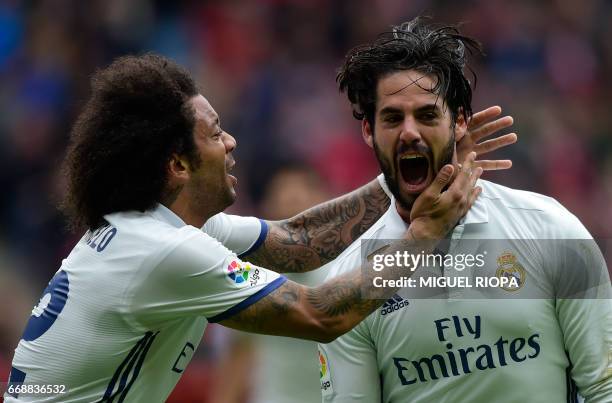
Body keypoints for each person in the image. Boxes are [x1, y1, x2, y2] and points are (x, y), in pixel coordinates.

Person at [2, 53, 510, 402]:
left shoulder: (162, 228)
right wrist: (424, 233)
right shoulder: (162, 250)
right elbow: (320, 313)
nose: (231, 142)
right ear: (177, 164)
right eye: (214, 133)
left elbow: (302, 242)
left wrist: (401, 176)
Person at [317, 17, 611, 403]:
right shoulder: (350, 277)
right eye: (392, 117)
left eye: (426, 115)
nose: (409, 132)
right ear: (368, 131)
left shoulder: (550, 229)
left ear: (458, 122)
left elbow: (603, 385)